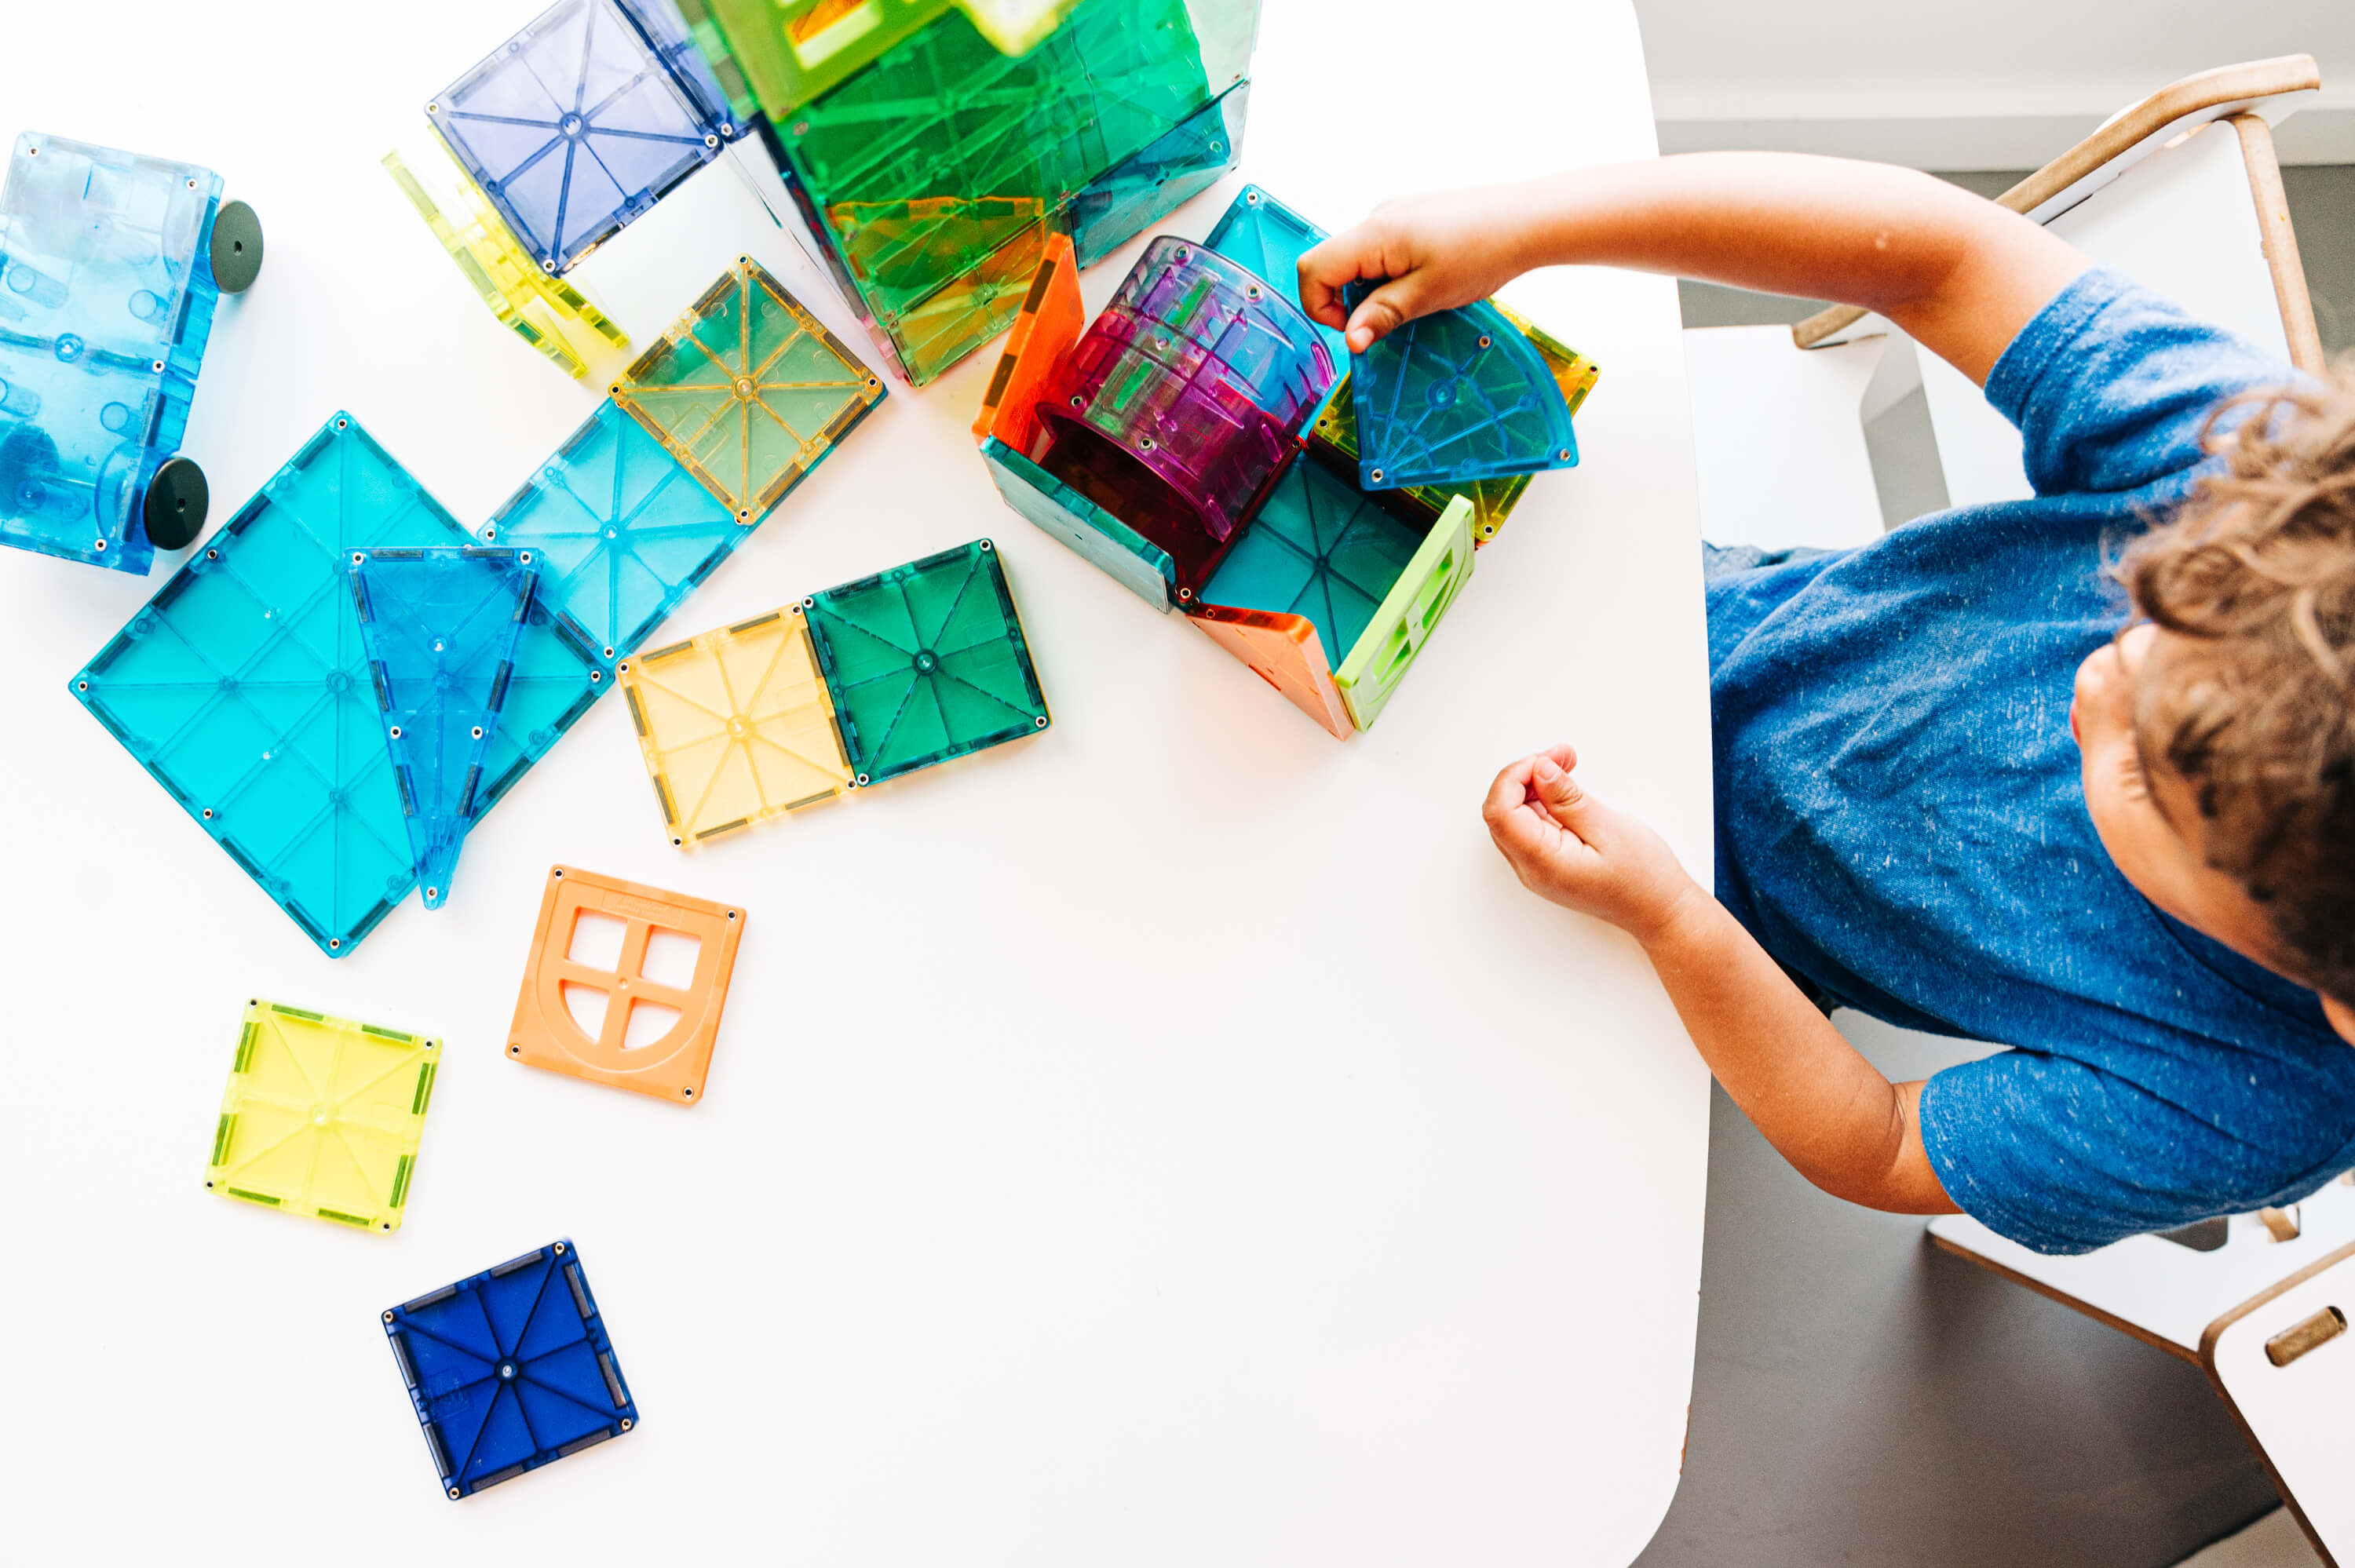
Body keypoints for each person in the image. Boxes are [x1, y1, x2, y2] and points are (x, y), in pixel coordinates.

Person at [1298, 154, 2355, 1255]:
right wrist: (1520, 219)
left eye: (2145, 772)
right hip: (1707, 610)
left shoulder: (2256, 1101)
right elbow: (1944, 261)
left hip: (1699, 916)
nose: (2098, 682)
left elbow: (1879, 1145)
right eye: (2147, 622)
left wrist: (1669, 916)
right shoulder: (2281, 512)